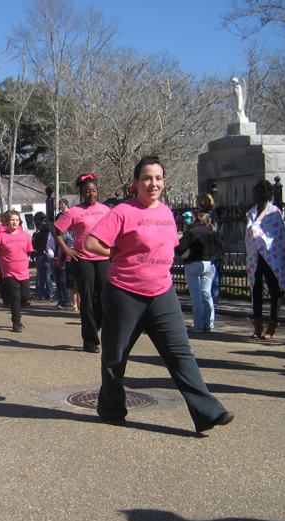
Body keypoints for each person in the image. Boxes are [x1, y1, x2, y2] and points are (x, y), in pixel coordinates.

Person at [84, 156, 234, 433]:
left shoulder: (166, 212)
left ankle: (208, 412)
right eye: (147, 178)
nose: (153, 183)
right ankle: (111, 407)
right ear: (135, 183)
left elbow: (167, 247)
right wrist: (114, 252)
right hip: (125, 293)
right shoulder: (123, 212)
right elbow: (91, 242)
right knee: (116, 356)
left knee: (181, 354)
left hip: (163, 293)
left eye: (158, 178)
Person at [53, 174, 111, 353]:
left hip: (103, 257)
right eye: (87, 191)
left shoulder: (105, 209)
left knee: (105, 295)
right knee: (87, 297)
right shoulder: (74, 212)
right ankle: (90, 340)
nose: (91, 194)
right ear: (81, 193)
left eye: (94, 191)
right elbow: (55, 230)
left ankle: (97, 324)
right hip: (82, 258)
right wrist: (67, 250)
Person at [245, 180, 285, 339]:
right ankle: (257, 324)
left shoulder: (274, 212)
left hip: (271, 256)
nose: (254, 197)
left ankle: (273, 323)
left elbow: (278, 236)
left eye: (256, 194)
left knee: (274, 289)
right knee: (256, 289)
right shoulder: (252, 212)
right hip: (255, 256)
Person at [175, 212, 223, 333]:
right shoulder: (211, 232)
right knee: (206, 294)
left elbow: (179, 247)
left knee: (196, 295)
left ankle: (198, 324)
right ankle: (209, 322)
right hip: (208, 263)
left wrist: (185, 255)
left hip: (193, 263)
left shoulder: (192, 232)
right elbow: (219, 249)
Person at [0, 210, 33, 332]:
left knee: (25, 297)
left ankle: (17, 308)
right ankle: (16, 322)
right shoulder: (1, 237)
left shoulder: (25, 235)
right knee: (15, 296)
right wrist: (2, 265)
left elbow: (29, 251)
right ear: (7, 222)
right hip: (8, 271)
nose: (14, 222)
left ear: (19, 221)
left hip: (23, 271)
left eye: (16, 220)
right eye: (12, 220)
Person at [32, 212, 55, 301]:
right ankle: (50, 293)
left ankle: (41, 294)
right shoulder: (50, 228)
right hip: (48, 253)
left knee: (41, 276)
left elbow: (36, 244)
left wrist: (37, 252)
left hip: (40, 254)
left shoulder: (39, 232)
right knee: (48, 275)